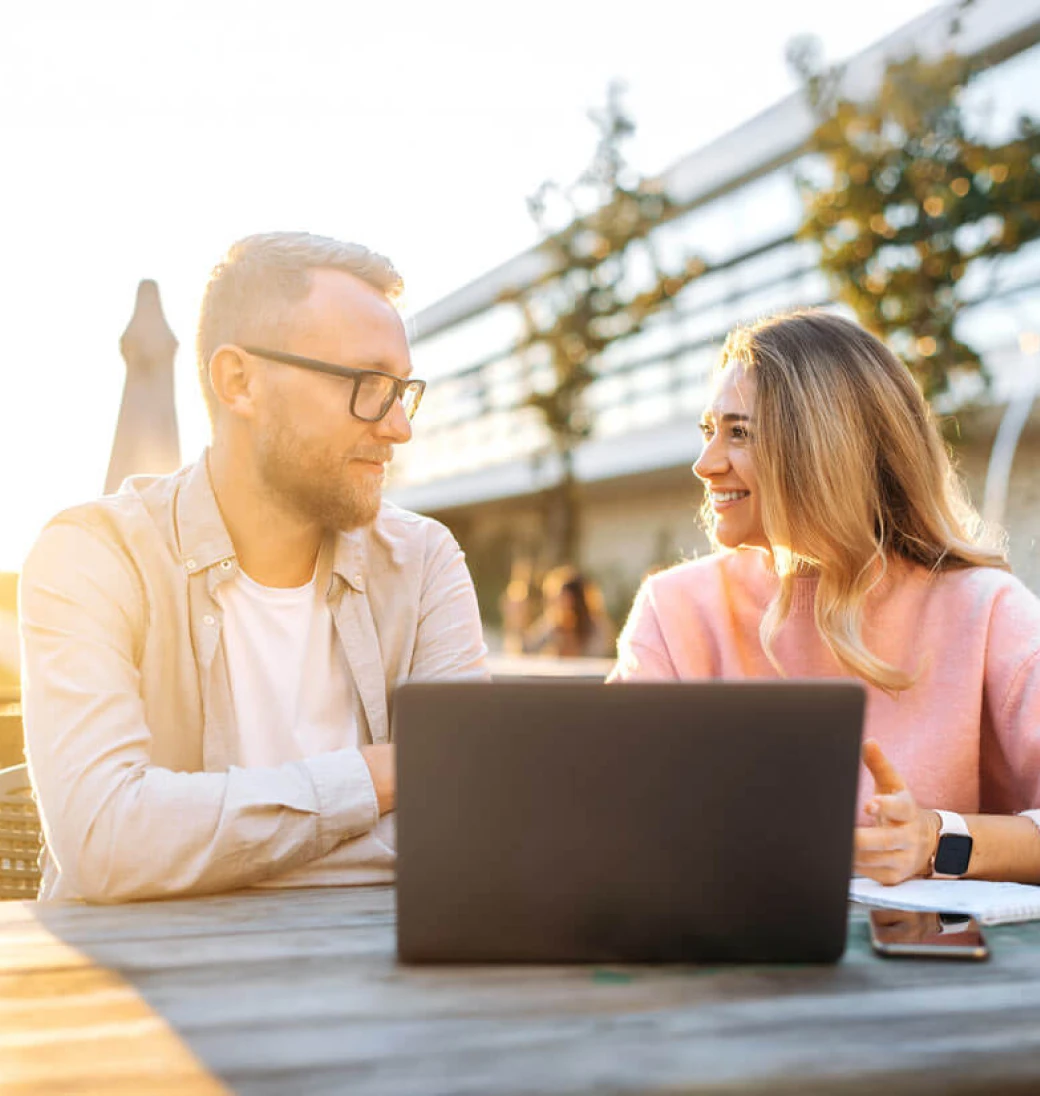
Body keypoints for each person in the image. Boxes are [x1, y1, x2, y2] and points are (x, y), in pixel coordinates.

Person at [19, 232, 488, 903]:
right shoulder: (93, 555)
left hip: (378, 983)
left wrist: (193, 854)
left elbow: (470, 821)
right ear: (239, 382)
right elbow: (105, 841)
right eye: (366, 385)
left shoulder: (424, 561)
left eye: (402, 390)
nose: (398, 428)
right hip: (148, 993)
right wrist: (374, 779)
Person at [610, 309, 1040, 886]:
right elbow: (604, 818)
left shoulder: (986, 611)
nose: (705, 463)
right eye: (708, 430)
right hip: (726, 967)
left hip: (931, 972)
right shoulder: (673, 609)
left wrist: (937, 839)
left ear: (824, 448)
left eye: (739, 433)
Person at [502, 565, 615, 658]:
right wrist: (517, 620)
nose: (561, 606)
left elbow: (596, 659)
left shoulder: (597, 628)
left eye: (566, 600)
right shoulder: (553, 624)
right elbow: (525, 650)